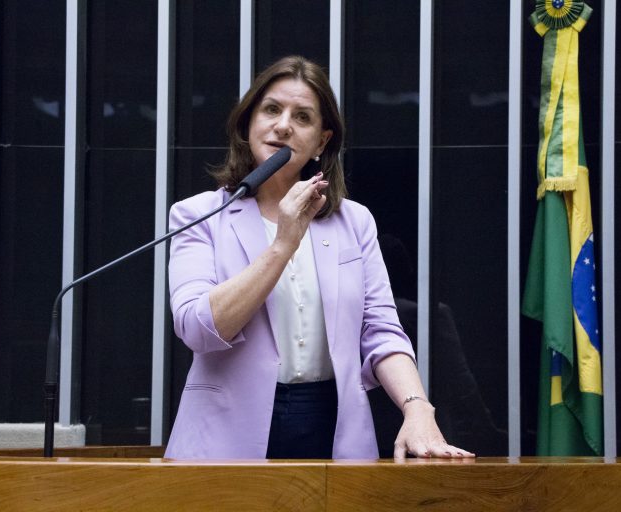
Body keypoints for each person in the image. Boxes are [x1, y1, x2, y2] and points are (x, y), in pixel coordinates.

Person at [165, 55, 474, 460]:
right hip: (226, 433)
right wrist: (282, 246)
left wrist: (417, 408)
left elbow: (381, 331)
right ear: (248, 124)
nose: (283, 125)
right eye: (271, 110)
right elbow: (197, 328)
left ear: (321, 141)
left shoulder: (354, 221)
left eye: (303, 117)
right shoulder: (199, 215)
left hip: (332, 422)